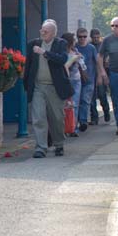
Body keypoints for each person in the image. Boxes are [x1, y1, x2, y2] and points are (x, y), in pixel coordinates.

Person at [22, 19, 73, 158]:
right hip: (38, 86)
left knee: (57, 118)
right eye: (41, 30)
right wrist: (26, 83)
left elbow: (62, 59)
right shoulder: (33, 44)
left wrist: (45, 53)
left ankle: (59, 144)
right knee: (38, 117)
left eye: (46, 31)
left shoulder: (60, 44)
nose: (42, 33)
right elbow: (29, 65)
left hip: (54, 87)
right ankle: (41, 147)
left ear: (53, 33)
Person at [61, 32, 84, 138]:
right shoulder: (62, 53)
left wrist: (80, 59)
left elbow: (82, 63)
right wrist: (73, 59)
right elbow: (64, 66)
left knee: (75, 104)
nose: (75, 41)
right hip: (67, 80)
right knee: (66, 104)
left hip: (76, 79)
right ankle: (65, 127)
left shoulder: (75, 50)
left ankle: (73, 128)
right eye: (74, 40)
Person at [76, 27, 97, 132]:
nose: (82, 39)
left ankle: (83, 121)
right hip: (76, 80)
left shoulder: (91, 48)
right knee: (77, 101)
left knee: (85, 100)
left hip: (89, 80)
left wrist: (100, 76)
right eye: (80, 37)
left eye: (84, 37)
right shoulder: (74, 48)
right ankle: (76, 122)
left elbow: (97, 62)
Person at [89, 28, 110, 125]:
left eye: (98, 37)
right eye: (94, 37)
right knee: (92, 97)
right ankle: (94, 117)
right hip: (91, 74)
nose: (96, 39)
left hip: (101, 73)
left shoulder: (104, 45)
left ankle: (106, 111)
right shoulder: (90, 46)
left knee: (102, 94)